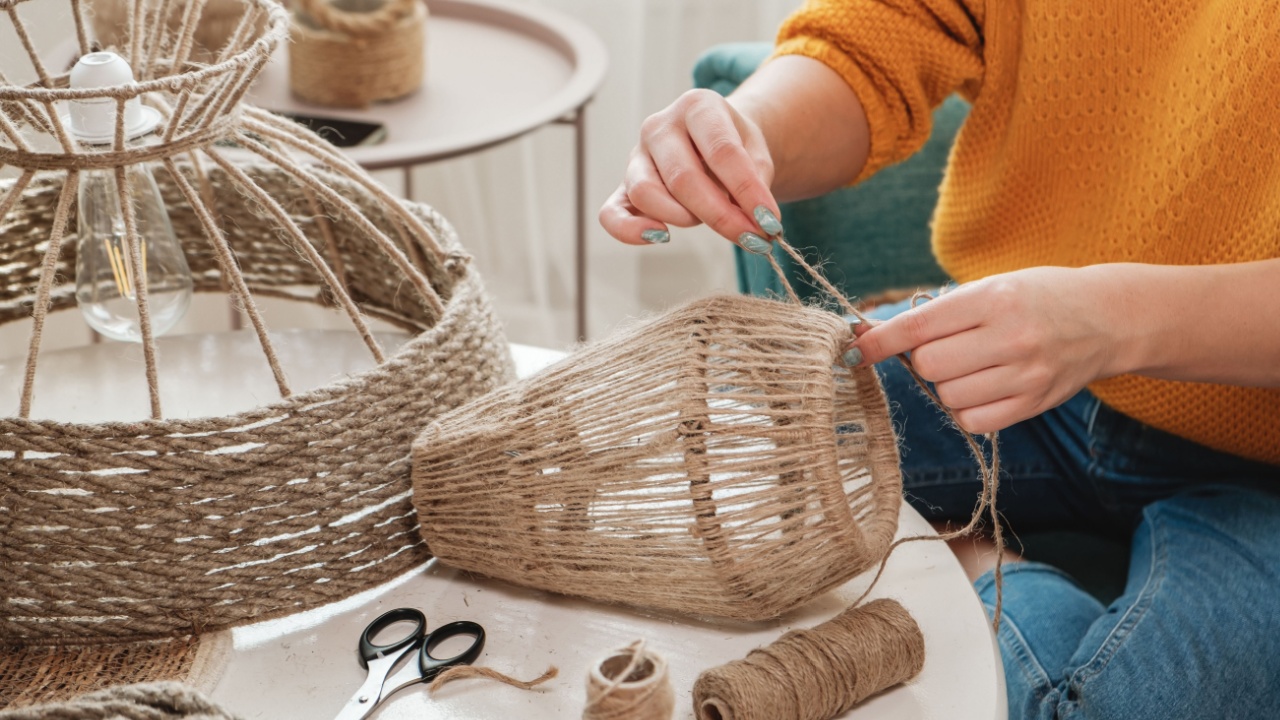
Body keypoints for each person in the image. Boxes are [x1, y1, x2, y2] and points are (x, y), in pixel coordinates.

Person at [599, 1, 1280, 718]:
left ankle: (975, 559)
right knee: (697, 449)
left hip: (1259, 466)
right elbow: (888, 35)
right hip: (1036, 361)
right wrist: (745, 135)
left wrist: (1111, 319)